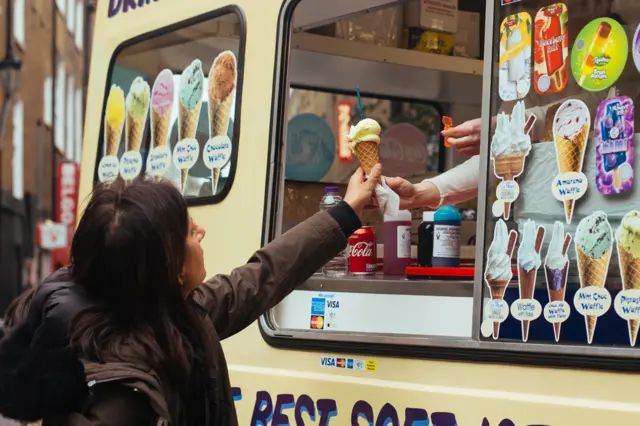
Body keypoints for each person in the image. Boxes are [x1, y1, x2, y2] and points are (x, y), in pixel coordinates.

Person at [0, 164, 381, 425]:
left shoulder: (164, 314)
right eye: (188, 230)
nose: (201, 232)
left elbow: (257, 278)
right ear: (170, 265)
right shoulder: (120, 396)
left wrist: (344, 213)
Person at [388, 5, 639, 211]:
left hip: (617, 209)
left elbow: (605, 106)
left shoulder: (622, 39)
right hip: (545, 221)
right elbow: (498, 156)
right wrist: (426, 192)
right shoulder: (531, 66)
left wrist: (508, 126)